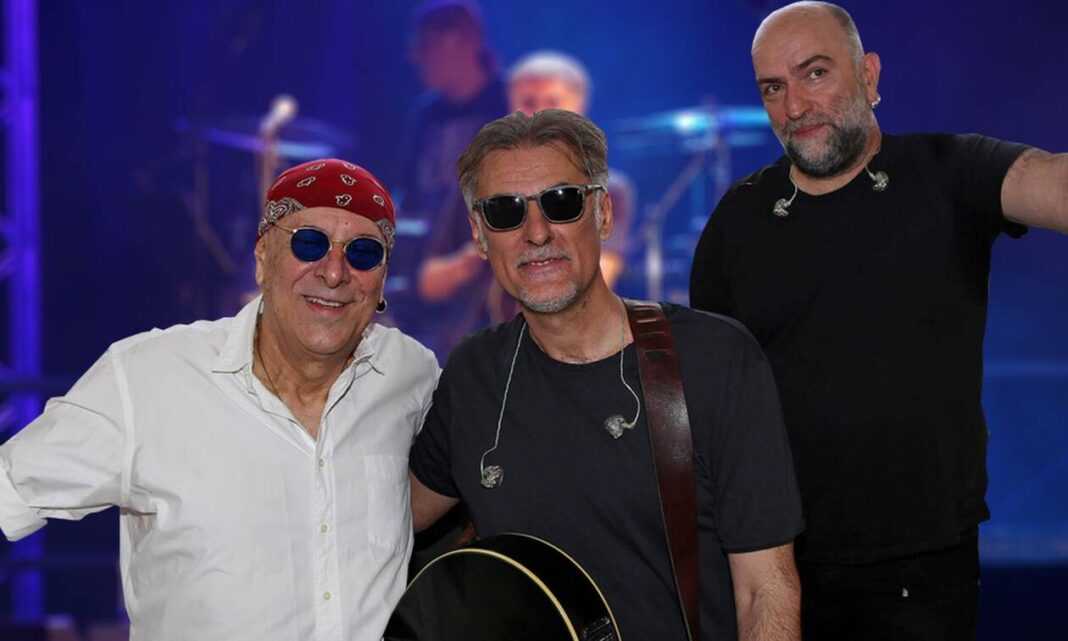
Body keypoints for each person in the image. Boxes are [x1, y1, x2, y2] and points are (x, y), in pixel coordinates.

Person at [688, 3, 1068, 640]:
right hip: (777, 565)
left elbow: (1052, 183)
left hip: (923, 568)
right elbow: (709, 400)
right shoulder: (738, 220)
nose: (795, 105)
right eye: (773, 88)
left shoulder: (948, 171)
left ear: (868, 75)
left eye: (815, 73)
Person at [0, 159, 440, 641]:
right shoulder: (148, 378)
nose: (334, 272)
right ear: (262, 256)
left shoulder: (412, 377)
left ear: (382, 280)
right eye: (309, 243)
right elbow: (9, 490)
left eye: (363, 253)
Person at [410, 109, 804, 641]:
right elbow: (384, 521)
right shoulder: (474, 374)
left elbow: (765, 590)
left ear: (603, 214)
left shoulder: (714, 358)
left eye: (562, 202)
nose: (537, 232)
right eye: (505, 212)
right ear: (479, 236)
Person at [394, 0, 510, 359]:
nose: (415, 58)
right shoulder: (425, 114)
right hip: (428, 267)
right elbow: (407, 195)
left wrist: (464, 264)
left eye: (425, 46)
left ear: (463, 42)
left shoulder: (507, 104)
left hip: (486, 273)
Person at [508, 50, 636, 289]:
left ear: (579, 107)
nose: (540, 114)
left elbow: (598, 277)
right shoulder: (483, 182)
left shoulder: (609, 190)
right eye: (528, 103)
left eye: (553, 102)